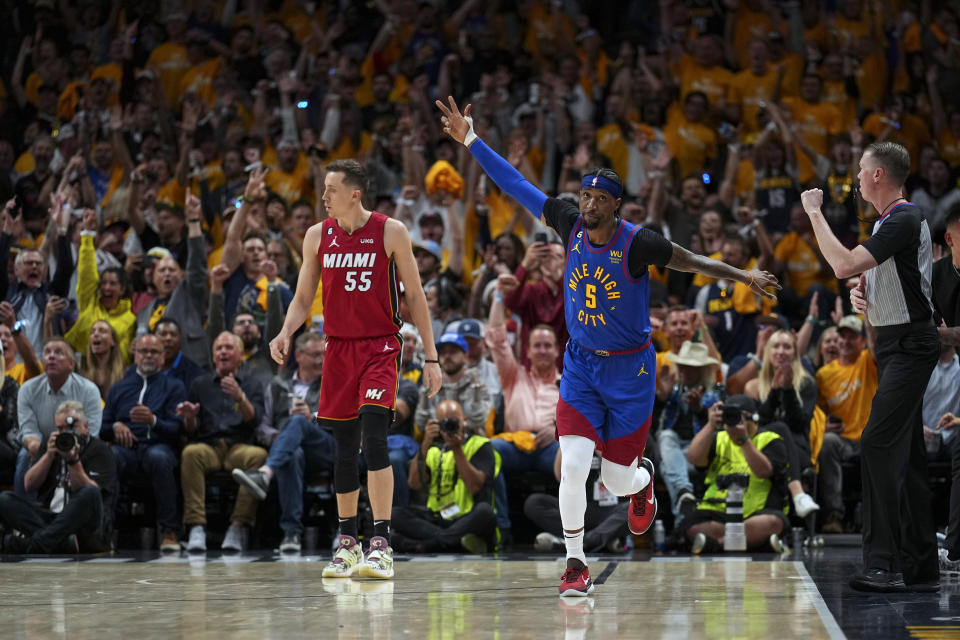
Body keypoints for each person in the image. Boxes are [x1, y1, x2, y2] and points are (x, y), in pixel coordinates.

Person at [436, 96, 779, 596]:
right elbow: (514, 183)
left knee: (618, 482)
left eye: (600, 199)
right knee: (572, 466)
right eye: (586, 196)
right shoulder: (568, 222)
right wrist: (470, 139)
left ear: (616, 204)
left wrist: (744, 274)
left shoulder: (638, 242)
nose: (590, 205)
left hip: (630, 373)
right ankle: (576, 564)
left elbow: (692, 261)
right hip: (580, 367)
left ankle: (643, 484)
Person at [269, 159, 442, 581]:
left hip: (381, 346)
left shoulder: (391, 231)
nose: (324, 197)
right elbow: (303, 295)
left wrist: (431, 357)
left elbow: (416, 298)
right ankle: (347, 543)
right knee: (343, 449)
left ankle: (381, 544)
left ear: (354, 194)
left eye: (331, 190)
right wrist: (285, 331)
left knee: (375, 436)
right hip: (338, 348)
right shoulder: (316, 236)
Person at [801, 141, 940, 592]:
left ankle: (883, 564)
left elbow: (842, 265)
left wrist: (814, 213)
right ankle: (920, 564)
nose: (857, 177)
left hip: (912, 345)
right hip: (895, 344)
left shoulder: (902, 217)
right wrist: (866, 297)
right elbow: (872, 280)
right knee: (910, 456)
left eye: (862, 170)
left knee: (878, 443)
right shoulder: (890, 221)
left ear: (879, 175)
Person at [232, 331, 336, 554]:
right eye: (314, 355)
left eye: (323, 355)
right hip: (288, 450)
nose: (320, 360)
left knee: (298, 421)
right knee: (293, 453)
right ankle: (292, 533)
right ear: (298, 355)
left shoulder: (333, 381)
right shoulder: (278, 385)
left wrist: (313, 417)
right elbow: (263, 425)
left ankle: (265, 474)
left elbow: (344, 420)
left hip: (326, 445)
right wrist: (275, 437)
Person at [176, 332, 267, 553]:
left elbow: (254, 421)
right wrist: (189, 417)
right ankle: (196, 526)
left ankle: (238, 526)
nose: (223, 352)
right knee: (190, 452)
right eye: (219, 348)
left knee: (258, 456)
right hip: (209, 446)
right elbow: (191, 430)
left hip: (238, 446)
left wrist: (240, 397)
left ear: (240, 355)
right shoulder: (200, 384)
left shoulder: (252, 384)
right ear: (214, 356)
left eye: (228, 347)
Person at [100, 334, 186, 552]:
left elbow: (177, 430)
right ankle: (105, 529)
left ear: (163, 356)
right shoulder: (119, 388)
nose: (148, 355)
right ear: (134, 354)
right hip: (125, 449)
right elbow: (101, 428)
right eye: (143, 351)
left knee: (159, 458)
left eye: (154, 352)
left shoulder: (174, 386)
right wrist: (115, 427)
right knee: (109, 457)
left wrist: (153, 421)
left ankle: (169, 531)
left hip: (158, 445)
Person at [0, 401, 116, 553]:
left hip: (81, 522)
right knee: (5, 499)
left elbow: (94, 497)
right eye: (61, 428)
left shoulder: (99, 450)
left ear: (86, 427)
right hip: (50, 517)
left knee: (90, 492)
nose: (66, 433)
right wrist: (48, 455)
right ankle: (59, 543)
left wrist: (73, 461)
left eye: (71, 427)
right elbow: (29, 485)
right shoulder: (51, 444)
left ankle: (34, 543)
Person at [684, 395, 791, 554]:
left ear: (753, 419)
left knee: (774, 522)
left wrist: (744, 441)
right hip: (719, 513)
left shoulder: (770, 439)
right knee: (691, 525)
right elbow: (694, 458)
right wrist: (710, 425)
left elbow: (764, 471)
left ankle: (714, 544)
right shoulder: (719, 438)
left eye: (738, 417)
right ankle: (758, 544)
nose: (732, 421)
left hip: (754, 515)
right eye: (728, 416)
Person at [391, 399, 497, 553]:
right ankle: (455, 543)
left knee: (485, 512)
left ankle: (428, 545)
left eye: (454, 421)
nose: (450, 427)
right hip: (437, 518)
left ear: (464, 420)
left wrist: (457, 449)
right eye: (444, 423)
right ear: (436, 424)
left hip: (466, 518)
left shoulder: (480, 445)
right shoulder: (433, 449)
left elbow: (475, 487)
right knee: (395, 514)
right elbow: (414, 484)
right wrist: (425, 444)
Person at [15, 338, 103, 496]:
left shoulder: (89, 390)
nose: (51, 356)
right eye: (47, 352)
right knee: (24, 456)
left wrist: (70, 449)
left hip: (79, 447)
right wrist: (39, 447)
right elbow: (27, 430)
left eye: (59, 353)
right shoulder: (27, 389)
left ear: (72, 363)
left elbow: (92, 432)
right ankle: (23, 513)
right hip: (42, 447)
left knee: (99, 452)